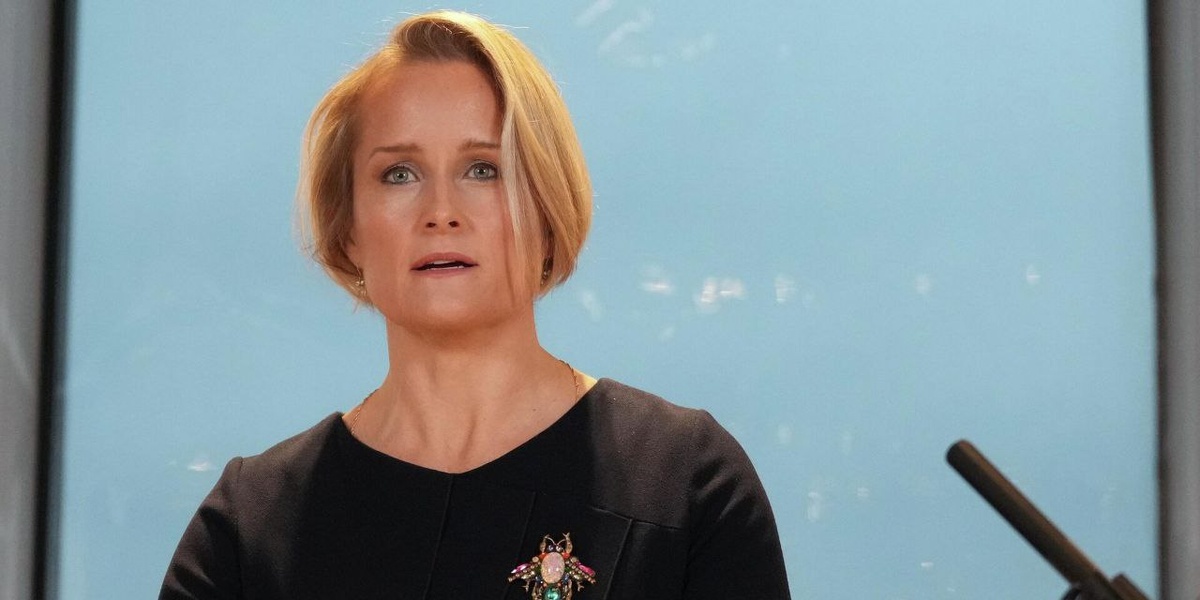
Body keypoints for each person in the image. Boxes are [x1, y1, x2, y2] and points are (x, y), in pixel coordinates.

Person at [160, 10, 790, 600]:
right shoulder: (248, 524)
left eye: (484, 169)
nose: (441, 213)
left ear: (547, 208)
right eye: (399, 174)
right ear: (347, 227)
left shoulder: (686, 483)